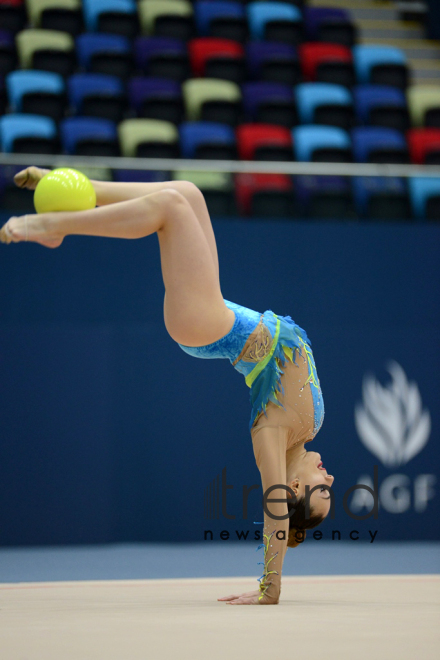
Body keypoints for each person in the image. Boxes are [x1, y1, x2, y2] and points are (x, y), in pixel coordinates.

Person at [0, 167, 335, 605]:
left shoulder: (270, 435)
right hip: (221, 309)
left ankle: (52, 226)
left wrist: (270, 588)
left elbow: (274, 512)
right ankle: (71, 193)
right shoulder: (311, 428)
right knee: (189, 194)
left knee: (171, 209)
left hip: (204, 326)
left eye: (323, 488)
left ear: (294, 488)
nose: (329, 476)